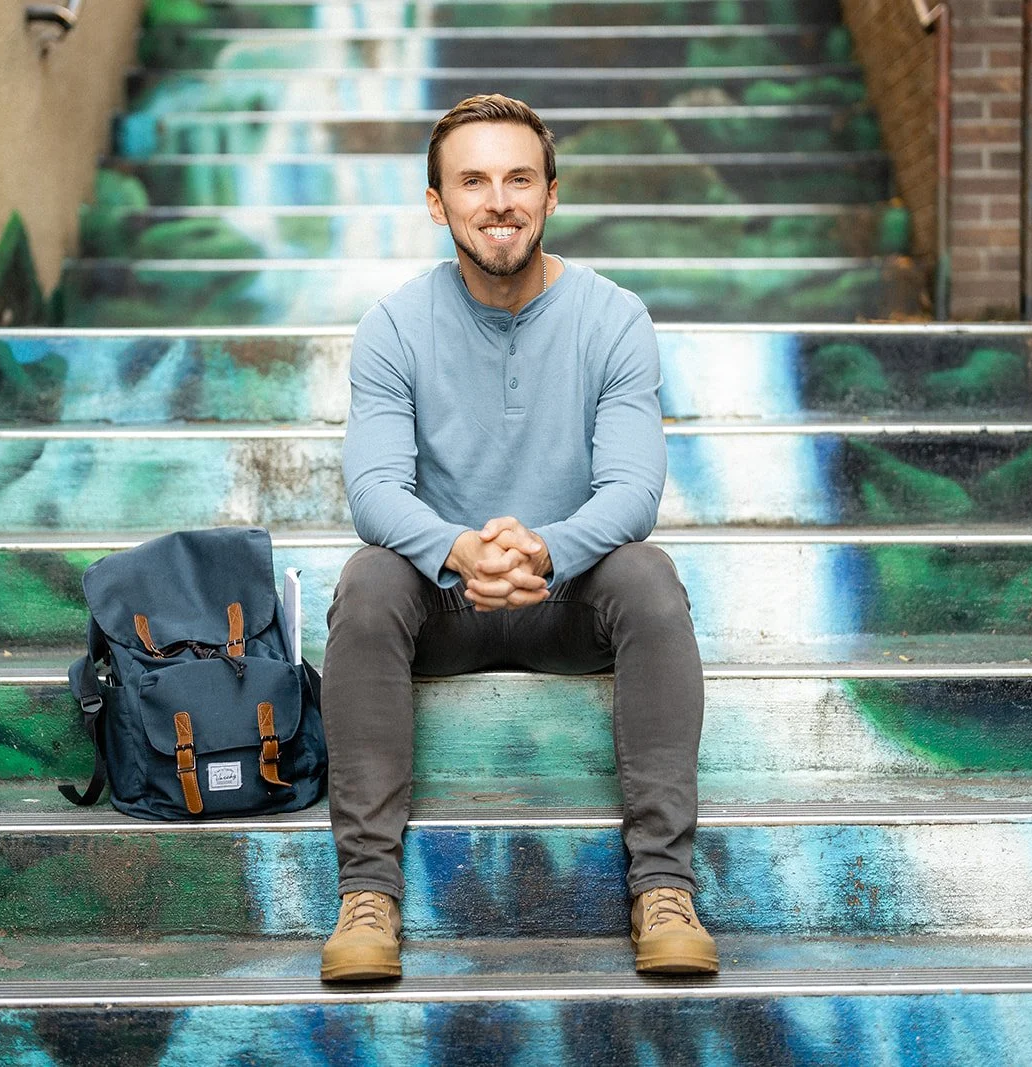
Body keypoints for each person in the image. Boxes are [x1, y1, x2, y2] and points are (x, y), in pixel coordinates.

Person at [318, 94, 715, 982]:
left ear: (550, 193)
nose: (498, 200)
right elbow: (375, 488)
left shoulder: (613, 318)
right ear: (436, 204)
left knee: (649, 575)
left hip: (567, 602)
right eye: (473, 180)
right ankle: (368, 896)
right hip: (445, 608)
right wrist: (460, 552)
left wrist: (545, 552)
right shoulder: (392, 327)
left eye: (518, 178)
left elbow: (632, 490)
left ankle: (663, 888)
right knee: (369, 580)